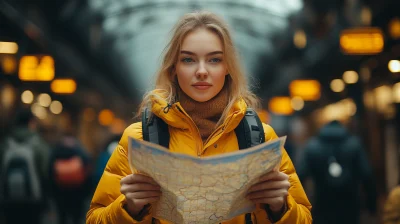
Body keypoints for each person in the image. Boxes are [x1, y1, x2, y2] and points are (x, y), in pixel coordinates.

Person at [86, 11, 312, 224]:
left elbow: (304, 218)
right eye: (188, 60)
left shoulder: (260, 138)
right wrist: (129, 209)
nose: (202, 71)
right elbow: (95, 218)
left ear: (228, 68)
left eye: (214, 60)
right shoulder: (139, 138)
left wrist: (280, 207)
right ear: (173, 68)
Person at [298, 120, 376, 224]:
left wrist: (301, 207)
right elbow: (367, 175)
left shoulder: (312, 146)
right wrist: (372, 206)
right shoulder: (354, 144)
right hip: (350, 204)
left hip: (322, 203)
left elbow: (300, 176)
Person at [0, 108, 50, 224]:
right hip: (33, 198)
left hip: (8, 198)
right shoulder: (38, 144)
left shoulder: (5, 143)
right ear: (31, 122)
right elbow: (45, 171)